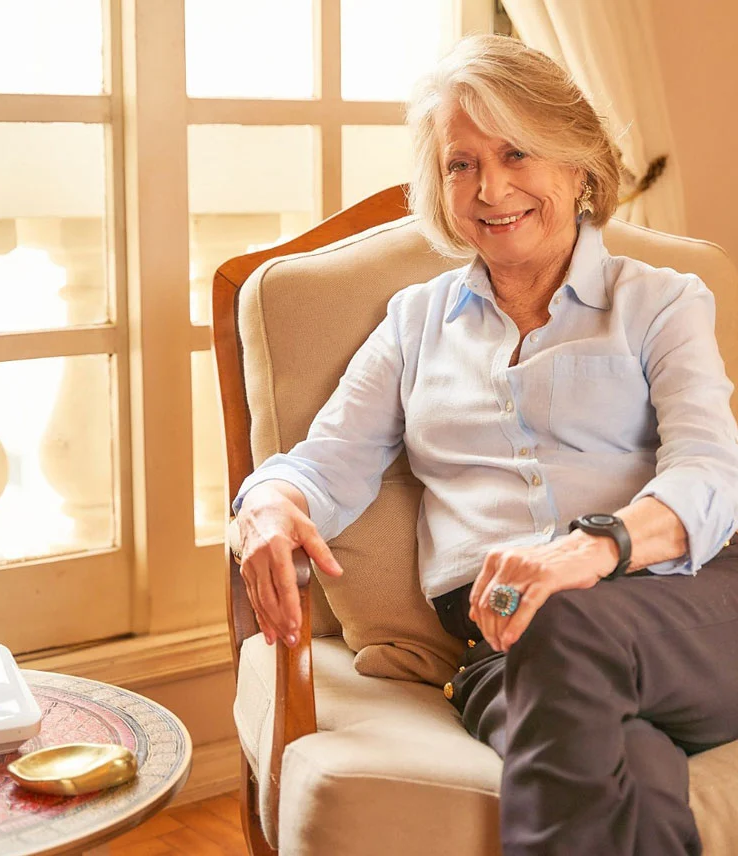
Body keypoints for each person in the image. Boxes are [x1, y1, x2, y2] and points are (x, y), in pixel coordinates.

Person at [230, 34, 738, 856]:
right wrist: (268, 505)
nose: (489, 187)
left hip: (692, 609)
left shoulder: (662, 302)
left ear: (578, 167)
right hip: (503, 644)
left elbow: (712, 470)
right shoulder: (412, 323)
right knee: (623, 760)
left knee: (565, 625)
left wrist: (591, 549)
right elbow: (325, 464)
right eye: (460, 163)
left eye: (517, 152)